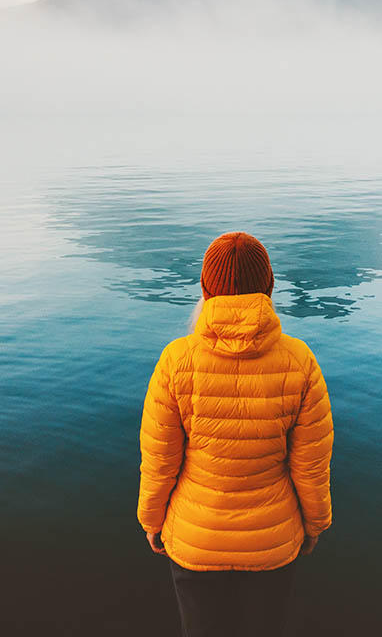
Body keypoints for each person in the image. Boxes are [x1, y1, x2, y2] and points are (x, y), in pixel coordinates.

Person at [137, 231, 334, 637]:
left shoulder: (176, 360)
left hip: (196, 541)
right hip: (274, 544)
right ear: (269, 287)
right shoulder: (300, 361)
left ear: (206, 290)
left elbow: (159, 462)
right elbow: (311, 466)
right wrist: (315, 525)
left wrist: (151, 521)